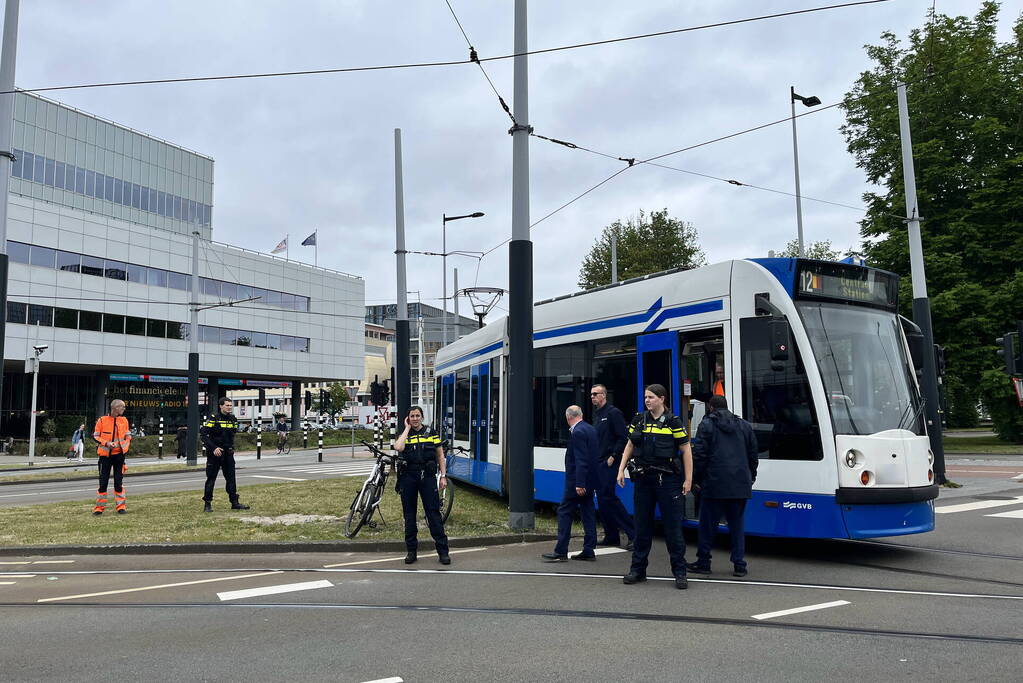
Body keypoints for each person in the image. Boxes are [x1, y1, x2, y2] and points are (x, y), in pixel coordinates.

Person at [617, 384, 694, 590]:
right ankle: (638, 570)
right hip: (643, 480)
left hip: (667, 481)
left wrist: (688, 479)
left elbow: (686, 450)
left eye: (651, 397)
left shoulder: (673, 422)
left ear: (662, 399)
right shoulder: (638, 420)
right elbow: (630, 445)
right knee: (642, 527)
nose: (647, 400)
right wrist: (621, 469)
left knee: (673, 529)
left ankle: (680, 573)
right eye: (645, 397)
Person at [688, 395, 759, 578]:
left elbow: (700, 455)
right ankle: (739, 564)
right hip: (739, 484)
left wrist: (695, 478)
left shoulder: (707, 425)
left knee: (707, 525)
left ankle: (704, 562)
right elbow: (753, 454)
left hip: (714, 483)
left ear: (711, 408)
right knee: (736, 526)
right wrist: (751, 476)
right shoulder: (744, 425)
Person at [543, 406, 601, 562]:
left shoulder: (578, 432)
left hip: (577, 482)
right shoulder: (590, 429)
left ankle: (561, 551)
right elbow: (594, 457)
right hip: (590, 480)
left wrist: (579, 483)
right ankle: (589, 549)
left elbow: (581, 460)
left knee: (564, 512)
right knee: (588, 513)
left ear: (568, 417)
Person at [393, 406, 450, 565]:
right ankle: (411, 551)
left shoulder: (431, 433)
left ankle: (443, 552)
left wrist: (443, 476)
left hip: (428, 477)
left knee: (433, 513)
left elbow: (440, 455)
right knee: (409, 515)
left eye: (418, 415)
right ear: (408, 418)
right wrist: (406, 429)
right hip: (408, 477)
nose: (415, 418)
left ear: (422, 417)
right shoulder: (405, 434)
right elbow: (398, 447)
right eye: (412, 416)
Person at [590, 384, 634, 550]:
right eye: (591, 394)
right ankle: (611, 535)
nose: (592, 397)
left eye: (596, 394)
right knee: (602, 500)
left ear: (604, 395)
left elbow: (623, 438)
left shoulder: (613, 413)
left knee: (609, 498)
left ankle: (632, 533)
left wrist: (613, 456)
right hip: (599, 462)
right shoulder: (597, 414)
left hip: (609, 462)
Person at [200, 397, 250, 512]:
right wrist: (213, 448)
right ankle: (207, 504)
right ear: (221, 406)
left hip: (228, 454)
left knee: (231, 479)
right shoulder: (214, 418)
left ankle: (234, 502)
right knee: (211, 479)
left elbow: (232, 435)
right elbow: (203, 435)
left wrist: (231, 448)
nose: (229, 407)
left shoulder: (233, 419)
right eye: (227, 405)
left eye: (230, 405)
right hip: (215, 454)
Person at [92, 399, 132, 515]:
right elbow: (96, 436)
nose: (124, 409)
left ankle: (121, 507)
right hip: (105, 457)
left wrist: (122, 445)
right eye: (122, 407)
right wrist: (106, 443)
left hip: (119, 456)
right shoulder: (102, 420)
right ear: (115, 408)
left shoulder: (124, 420)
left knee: (118, 482)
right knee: (103, 482)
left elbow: (128, 436)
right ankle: (99, 508)